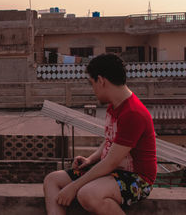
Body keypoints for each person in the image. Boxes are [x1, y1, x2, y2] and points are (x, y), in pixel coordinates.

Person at [43, 53, 157, 215]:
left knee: (88, 194)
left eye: (92, 83)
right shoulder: (114, 106)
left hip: (136, 179)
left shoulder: (133, 113)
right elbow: (111, 141)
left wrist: (73, 187)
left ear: (101, 80)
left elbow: (111, 161)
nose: (93, 89)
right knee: (52, 180)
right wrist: (91, 159)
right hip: (113, 172)